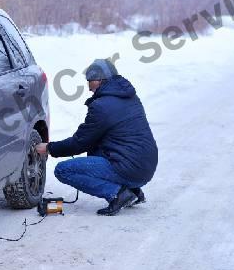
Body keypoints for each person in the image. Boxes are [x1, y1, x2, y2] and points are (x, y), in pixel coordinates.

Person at [36, 59, 158, 216]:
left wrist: (49, 148)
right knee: (95, 149)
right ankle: (134, 191)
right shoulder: (130, 97)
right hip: (145, 167)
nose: (88, 88)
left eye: (89, 81)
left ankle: (118, 194)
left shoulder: (102, 106)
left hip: (129, 168)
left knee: (63, 170)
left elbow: (80, 142)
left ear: (100, 80)